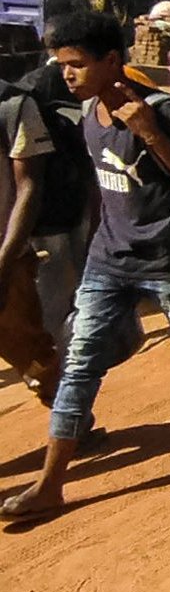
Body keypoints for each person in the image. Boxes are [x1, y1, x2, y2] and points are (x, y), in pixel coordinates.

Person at [1, 12, 170, 519]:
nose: (67, 75)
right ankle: (51, 484)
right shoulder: (86, 118)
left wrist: (148, 131)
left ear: (111, 61)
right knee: (79, 361)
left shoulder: (162, 113)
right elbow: (102, 193)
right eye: (62, 65)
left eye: (77, 65)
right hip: (109, 259)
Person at [0, 82, 59, 403]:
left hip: (6, 260)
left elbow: (29, 188)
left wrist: (5, 263)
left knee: (36, 359)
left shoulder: (13, 106)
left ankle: (73, 426)